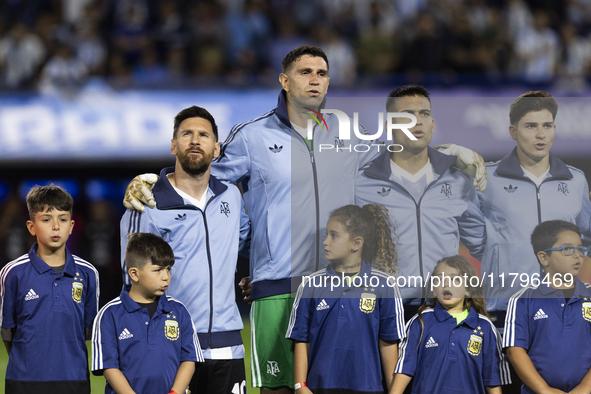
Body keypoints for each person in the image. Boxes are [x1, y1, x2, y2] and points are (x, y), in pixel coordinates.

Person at [121, 47, 487, 393]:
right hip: (277, 286)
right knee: (281, 387)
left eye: (322, 74)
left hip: (341, 288)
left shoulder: (350, 133)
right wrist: (156, 180)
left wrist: (449, 152)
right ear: (284, 81)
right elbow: (200, 176)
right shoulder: (251, 137)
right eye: (305, 72)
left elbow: (403, 156)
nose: (315, 80)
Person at [119, 106, 250, 394]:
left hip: (227, 346)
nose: (194, 140)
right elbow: (134, 281)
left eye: (203, 135)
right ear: (173, 145)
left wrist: (262, 276)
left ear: (215, 149)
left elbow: (247, 242)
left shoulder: (230, 195)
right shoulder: (147, 203)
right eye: (186, 134)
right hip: (171, 343)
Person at [356, 85, 487, 321]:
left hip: (444, 309)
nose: (418, 121)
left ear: (433, 124)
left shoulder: (458, 179)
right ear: (389, 126)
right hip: (383, 311)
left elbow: (485, 245)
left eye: (424, 114)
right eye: (407, 115)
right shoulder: (361, 182)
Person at [479, 91, 591, 325]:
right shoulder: (486, 179)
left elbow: (585, 237)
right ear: (513, 132)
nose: (541, 134)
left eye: (547, 126)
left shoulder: (576, 180)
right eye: (530, 126)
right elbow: (470, 233)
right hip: (505, 306)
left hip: (563, 307)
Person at [287, 204, 405, 394]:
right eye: (326, 234)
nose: (325, 242)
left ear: (356, 243)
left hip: (367, 388)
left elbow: (389, 343)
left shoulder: (385, 286)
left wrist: (394, 391)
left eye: (333, 235)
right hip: (319, 388)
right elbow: (302, 339)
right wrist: (300, 386)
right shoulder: (310, 285)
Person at [0, 185, 99, 394]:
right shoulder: (13, 272)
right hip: (24, 381)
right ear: (31, 226)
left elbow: (87, 331)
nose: (56, 227)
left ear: (72, 226)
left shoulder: (89, 273)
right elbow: (7, 332)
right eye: (46, 219)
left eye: (62, 220)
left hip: (74, 379)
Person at [92, 232, 202, 394]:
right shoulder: (110, 314)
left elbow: (189, 359)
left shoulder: (179, 311)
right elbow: (109, 366)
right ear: (134, 274)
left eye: (168, 269)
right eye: (157, 270)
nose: (166, 277)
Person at [392, 256, 510, 394]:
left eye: (455, 279)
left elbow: (492, 380)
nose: (446, 284)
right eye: (440, 279)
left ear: (468, 289)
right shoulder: (420, 321)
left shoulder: (485, 327)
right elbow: (404, 370)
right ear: (434, 290)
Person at [504, 220, 591, 394]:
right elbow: (515, 351)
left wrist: (584, 388)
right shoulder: (522, 299)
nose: (577, 256)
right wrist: (545, 390)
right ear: (543, 258)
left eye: (580, 249)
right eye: (567, 249)